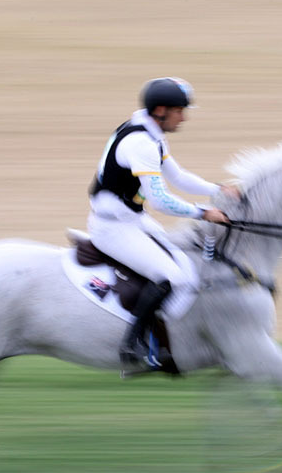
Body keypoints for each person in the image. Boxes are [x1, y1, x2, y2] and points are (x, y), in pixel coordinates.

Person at [88, 77, 237, 368]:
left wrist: (218, 190)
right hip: (113, 227)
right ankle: (131, 346)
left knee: (187, 267)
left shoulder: (151, 133)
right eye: (180, 110)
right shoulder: (141, 143)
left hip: (132, 219)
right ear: (161, 110)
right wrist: (203, 212)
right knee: (171, 278)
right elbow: (160, 200)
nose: (185, 117)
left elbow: (178, 176)